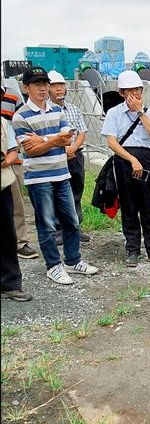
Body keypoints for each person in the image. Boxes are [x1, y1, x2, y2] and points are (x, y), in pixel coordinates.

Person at [12, 67, 98, 285]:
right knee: (47, 225)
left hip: (62, 174)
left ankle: (72, 260)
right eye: (37, 84)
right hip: (39, 178)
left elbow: (68, 139)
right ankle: (53, 266)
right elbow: (29, 150)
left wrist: (42, 139)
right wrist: (53, 140)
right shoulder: (20, 116)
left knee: (72, 221)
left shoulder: (57, 111)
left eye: (45, 84)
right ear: (26, 88)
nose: (42, 88)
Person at [101, 70, 150, 267]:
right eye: (130, 91)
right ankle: (132, 249)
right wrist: (131, 160)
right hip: (124, 159)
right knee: (129, 206)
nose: (135, 95)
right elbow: (111, 143)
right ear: (122, 93)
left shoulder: (149, 112)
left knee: (148, 206)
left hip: (146, 159)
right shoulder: (114, 113)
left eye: (138, 90)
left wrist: (140, 111)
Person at [47, 70, 90, 244]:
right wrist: (64, 148)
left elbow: (82, 132)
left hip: (75, 155)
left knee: (76, 190)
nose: (59, 89)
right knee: (57, 192)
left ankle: (75, 227)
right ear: (48, 89)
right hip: (56, 155)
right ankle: (58, 230)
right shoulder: (47, 111)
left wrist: (73, 148)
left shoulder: (73, 109)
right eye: (55, 86)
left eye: (61, 85)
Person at [1, 82, 39, 259]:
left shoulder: (12, 96)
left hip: (11, 158)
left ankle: (20, 242)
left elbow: (19, 125)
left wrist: (14, 151)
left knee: (16, 204)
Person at [1, 113, 32, 301]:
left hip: (2, 184)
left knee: (6, 236)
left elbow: (13, 150)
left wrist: (6, 161)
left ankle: (10, 284)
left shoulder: (3, 122)